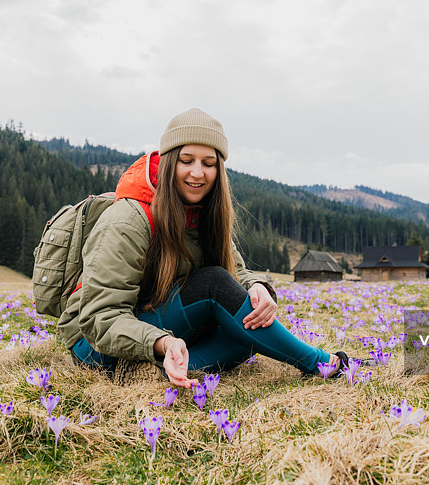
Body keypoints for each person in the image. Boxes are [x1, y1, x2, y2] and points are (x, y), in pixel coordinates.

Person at [58, 108, 353, 388]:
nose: (197, 173)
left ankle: (156, 373)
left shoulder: (203, 213)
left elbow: (236, 273)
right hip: (96, 347)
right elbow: (101, 319)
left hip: (158, 326)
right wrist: (161, 342)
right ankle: (323, 364)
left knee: (248, 330)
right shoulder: (128, 219)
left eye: (208, 163)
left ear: (218, 170)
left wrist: (257, 287)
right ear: (169, 162)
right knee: (216, 288)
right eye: (186, 160)